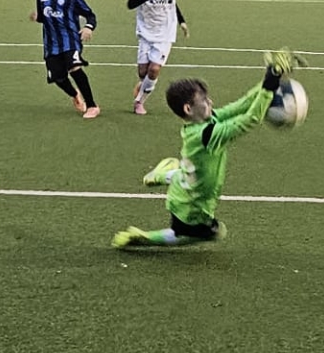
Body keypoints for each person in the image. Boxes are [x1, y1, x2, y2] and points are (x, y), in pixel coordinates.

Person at [113, 48, 304, 249]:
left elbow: (243, 104)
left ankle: (161, 175)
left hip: (186, 187)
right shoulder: (207, 135)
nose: (210, 102)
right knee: (210, 232)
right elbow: (250, 119)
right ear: (188, 109)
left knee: (190, 181)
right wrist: (270, 83)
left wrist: (270, 79)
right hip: (190, 207)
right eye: (204, 100)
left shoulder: (206, 122)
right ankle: (143, 237)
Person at [32, 0, 100, 117]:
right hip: (51, 44)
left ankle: (92, 106)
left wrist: (88, 27)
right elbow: (43, 17)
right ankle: (75, 95)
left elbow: (90, 15)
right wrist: (37, 17)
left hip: (70, 41)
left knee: (75, 68)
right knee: (57, 78)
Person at [126, 0, 187, 116]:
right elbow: (131, 4)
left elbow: (172, 4)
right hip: (145, 32)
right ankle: (144, 85)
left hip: (165, 33)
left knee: (154, 69)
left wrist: (181, 21)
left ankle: (139, 102)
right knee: (142, 72)